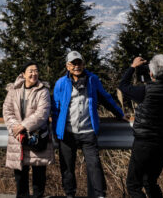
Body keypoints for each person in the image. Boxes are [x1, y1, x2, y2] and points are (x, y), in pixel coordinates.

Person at [52, 51, 125, 198]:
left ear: (83, 64)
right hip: (67, 132)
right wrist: (56, 131)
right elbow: (55, 109)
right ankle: (69, 194)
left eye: (79, 63)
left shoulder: (92, 80)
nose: (76, 66)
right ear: (67, 66)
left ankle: (99, 195)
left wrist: (120, 114)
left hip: (88, 131)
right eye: (73, 63)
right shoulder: (61, 83)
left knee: (94, 165)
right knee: (67, 168)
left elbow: (105, 98)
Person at [119, 55, 163, 198]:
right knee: (150, 182)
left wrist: (133, 67)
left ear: (151, 73)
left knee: (133, 186)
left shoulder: (144, 91)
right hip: (161, 144)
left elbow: (123, 85)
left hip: (143, 143)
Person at [3, 61, 54, 198]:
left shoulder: (43, 91)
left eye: (36, 70)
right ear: (23, 74)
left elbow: (42, 113)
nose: (34, 74)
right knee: (20, 174)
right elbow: (7, 111)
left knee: (39, 174)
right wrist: (16, 128)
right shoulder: (13, 90)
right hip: (18, 137)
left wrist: (23, 126)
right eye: (30, 71)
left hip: (37, 137)